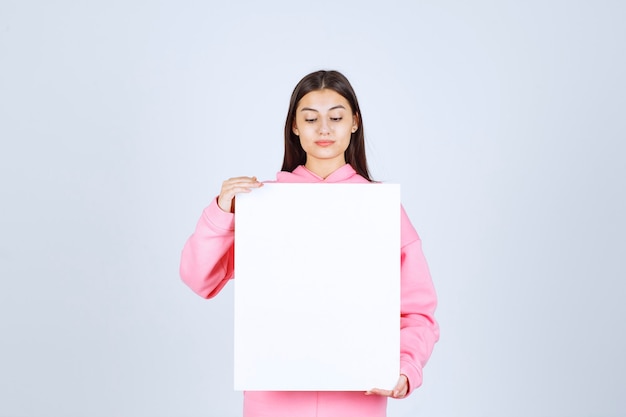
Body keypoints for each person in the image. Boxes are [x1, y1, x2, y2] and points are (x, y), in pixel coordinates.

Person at [180, 70, 439, 417]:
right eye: (311, 118)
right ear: (294, 126)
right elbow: (200, 279)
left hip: (356, 397)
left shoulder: (381, 208)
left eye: (336, 116)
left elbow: (418, 310)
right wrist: (220, 211)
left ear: (354, 123)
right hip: (273, 399)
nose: (324, 129)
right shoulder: (262, 204)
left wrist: (406, 369)